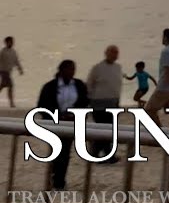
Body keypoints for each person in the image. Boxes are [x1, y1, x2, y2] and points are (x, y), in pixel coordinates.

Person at [37, 60, 89, 190]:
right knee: (56, 151)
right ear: (61, 70)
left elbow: (84, 102)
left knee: (65, 152)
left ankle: (60, 181)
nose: (72, 72)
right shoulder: (50, 86)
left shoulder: (79, 85)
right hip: (54, 124)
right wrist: (55, 116)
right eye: (69, 69)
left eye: (73, 69)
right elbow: (42, 105)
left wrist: (74, 115)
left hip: (71, 124)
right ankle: (55, 177)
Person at [85, 45, 123, 161]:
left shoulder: (118, 67)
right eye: (112, 52)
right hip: (98, 104)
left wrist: (118, 102)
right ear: (106, 53)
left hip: (113, 104)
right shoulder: (97, 68)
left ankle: (101, 154)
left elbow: (117, 85)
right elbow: (89, 84)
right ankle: (101, 154)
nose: (114, 54)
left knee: (110, 130)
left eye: (116, 52)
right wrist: (89, 101)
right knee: (103, 129)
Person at [145, 28, 169, 122]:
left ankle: (158, 130)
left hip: (166, 87)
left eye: (162, 36)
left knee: (149, 109)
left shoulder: (166, 51)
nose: (162, 38)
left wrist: (162, 86)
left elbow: (168, 69)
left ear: (165, 38)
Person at [0, 36, 23, 108]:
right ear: (6, 42)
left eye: (12, 42)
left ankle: (11, 103)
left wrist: (20, 69)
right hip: (3, 71)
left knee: (2, 86)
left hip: (8, 72)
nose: (12, 43)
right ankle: (11, 103)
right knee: (10, 86)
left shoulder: (13, 51)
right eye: (10, 42)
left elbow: (16, 61)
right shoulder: (3, 52)